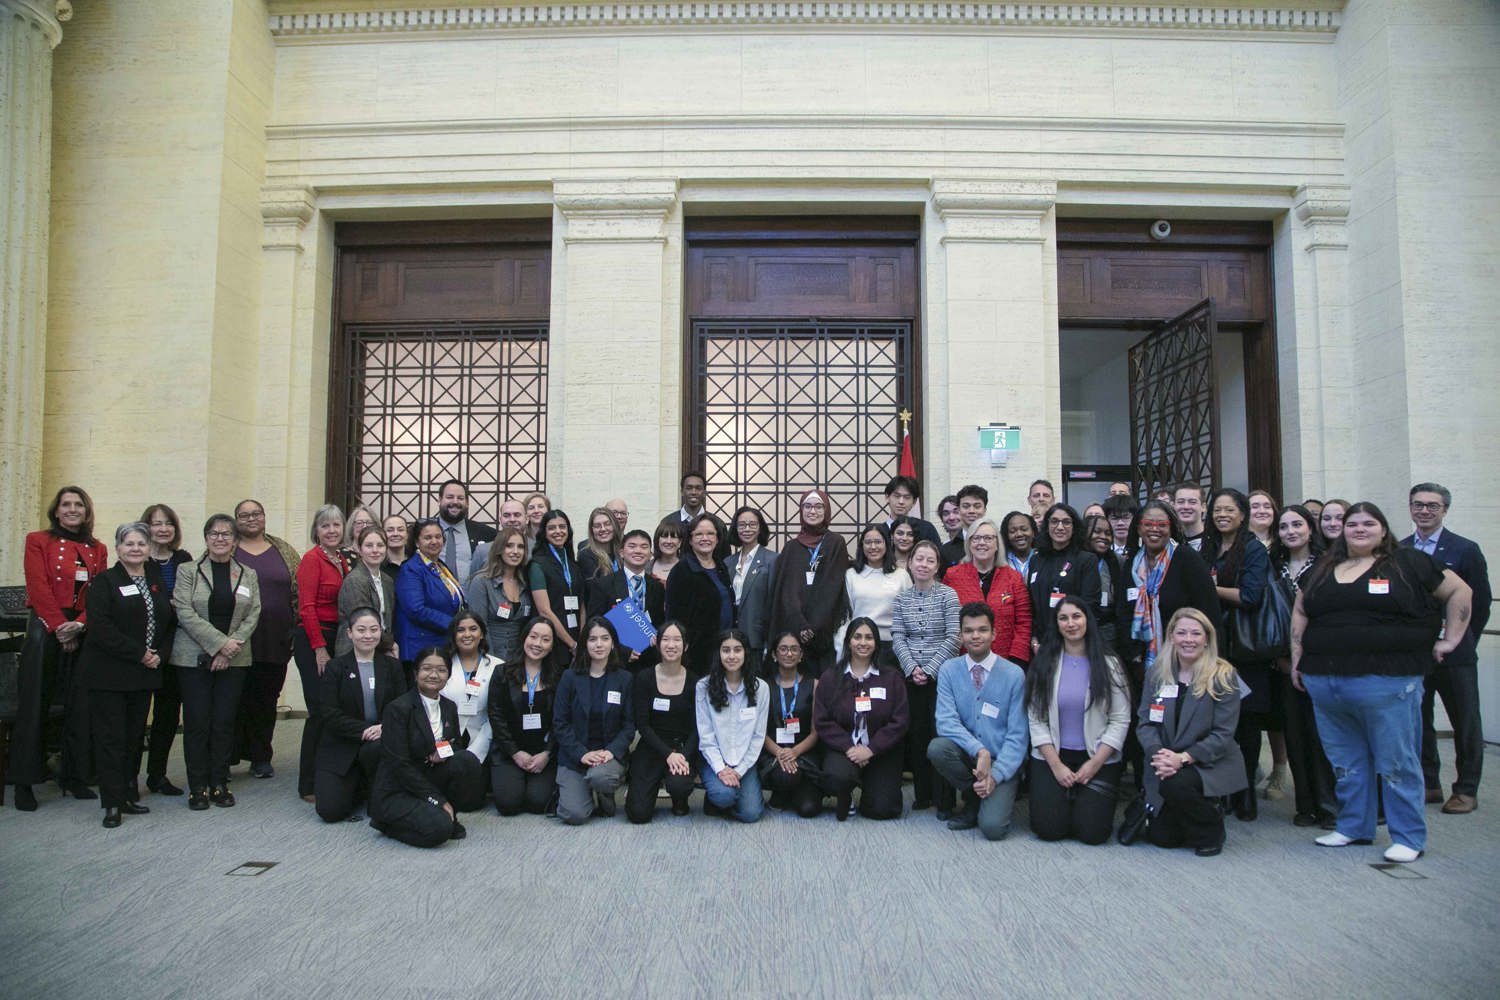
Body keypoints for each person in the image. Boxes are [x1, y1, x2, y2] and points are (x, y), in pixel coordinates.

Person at [1293, 502, 1472, 863]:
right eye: (1352, 523)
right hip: (1325, 680)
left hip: (1388, 680)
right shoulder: (1323, 567)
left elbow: (1460, 593)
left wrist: (1450, 639)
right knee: (1345, 760)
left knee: (1396, 761)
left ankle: (1408, 835)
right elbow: (1300, 611)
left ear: (1383, 528)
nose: (1359, 529)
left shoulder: (1409, 562)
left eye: (1368, 523)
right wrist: (1298, 659)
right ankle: (1353, 826)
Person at [10, 486, 110, 810]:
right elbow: (37, 586)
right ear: (56, 510)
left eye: (78, 504)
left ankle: (74, 776)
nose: (72, 509)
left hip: (81, 628)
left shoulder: (98, 548)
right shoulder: (38, 540)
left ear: (86, 511)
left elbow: (98, 593)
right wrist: (58, 628)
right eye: (66, 504)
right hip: (45, 625)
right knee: (34, 705)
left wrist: (80, 624)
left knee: (79, 706)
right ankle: (25, 781)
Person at [1116, 501, 1221, 791]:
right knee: (1146, 721)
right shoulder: (1133, 563)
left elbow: (1208, 612)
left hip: (1183, 660)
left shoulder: (1186, 559)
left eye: (1161, 525)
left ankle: (1186, 785)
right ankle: (1145, 786)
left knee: (1180, 724)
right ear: (1138, 528)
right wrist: (1132, 655)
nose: (1154, 530)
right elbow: (1123, 613)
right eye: (1148, 524)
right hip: (1142, 664)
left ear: (1171, 528)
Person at [1403, 482, 1491, 815]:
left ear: (1444, 510)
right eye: (1418, 504)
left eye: (1432, 506)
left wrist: (1462, 639)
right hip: (1416, 652)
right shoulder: (1402, 548)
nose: (1424, 511)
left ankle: (1466, 789)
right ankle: (1429, 782)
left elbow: (1478, 603)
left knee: (1465, 721)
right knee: (1418, 720)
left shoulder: (1465, 549)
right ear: (1410, 508)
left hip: (1457, 653)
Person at [82, 523, 176, 828]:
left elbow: (168, 622)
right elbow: (100, 628)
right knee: (112, 739)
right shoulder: (105, 582)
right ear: (118, 548)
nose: (135, 549)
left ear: (149, 548)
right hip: (111, 674)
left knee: (135, 738)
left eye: (141, 544)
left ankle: (127, 794)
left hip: (144, 675)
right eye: (129, 544)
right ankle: (111, 803)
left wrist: (160, 652)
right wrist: (140, 653)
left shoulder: (155, 581)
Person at [1137, 608, 1247, 857]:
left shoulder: (1224, 675)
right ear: (1171, 637)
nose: (1189, 639)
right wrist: (1159, 755)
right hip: (1164, 761)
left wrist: (1182, 759)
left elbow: (1223, 734)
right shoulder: (1157, 673)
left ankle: (1212, 828)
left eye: (1196, 633)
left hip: (1207, 761)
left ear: (1207, 638)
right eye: (1182, 633)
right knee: (1163, 838)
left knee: (1176, 785)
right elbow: (1145, 722)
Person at [169, 513, 261, 811]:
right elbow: (184, 611)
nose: (220, 539)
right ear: (206, 537)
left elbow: (253, 613)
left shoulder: (248, 573)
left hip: (235, 659)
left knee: (224, 722)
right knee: (197, 723)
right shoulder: (188, 571)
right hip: (193, 657)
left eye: (226, 534)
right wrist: (219, 644)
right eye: (214, 533)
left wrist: (228, 650)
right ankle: (198, 787)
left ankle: (219, 782)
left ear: (235, 540)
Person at [1025, 597, 1131, 844]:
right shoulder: (1044, 664)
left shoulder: (1110, 664)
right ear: (1057, 624)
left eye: (1076, 616)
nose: (1070, 623)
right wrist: (1056, 765)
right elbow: (1036, 719)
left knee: (1092, 834)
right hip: (1053, 756)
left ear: (1087, 620)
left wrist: (1095, 764)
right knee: (1049, 830)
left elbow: (1120, 719)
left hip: (1096, 756)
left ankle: (1078, 799)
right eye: (1063, 618)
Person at [927, 602, 1027, 839]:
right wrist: (980, 751)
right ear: (960, 635)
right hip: (968, 756)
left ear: (994, 633)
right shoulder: (949, 670)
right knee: (938, 748)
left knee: (993, 829)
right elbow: (946, 722)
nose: (975, 636)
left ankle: (992, 791)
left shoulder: (1014, 675)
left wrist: (996, 774)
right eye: (969, 630)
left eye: (982, 630)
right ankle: (973, 797)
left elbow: (1018, 737)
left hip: (1001, 761)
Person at [1204, 488, 1271, 822]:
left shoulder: (1254, 550)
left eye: (1229, 509)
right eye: (1217, 510)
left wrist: (1208, 588)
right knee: (1218, 723)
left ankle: (1245, 795)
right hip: (1214, 646)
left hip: (1243, 649)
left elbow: (1250, 595)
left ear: (1243, 514)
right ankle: (1223, 790)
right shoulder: (1209, 547)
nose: (1222, 515)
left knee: (1245, 723)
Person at [1269, 504, 1336, 828]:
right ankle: (1305, 804)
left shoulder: (1329, 565)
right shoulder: (1272, 565)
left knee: (1323, 736)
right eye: (1284, 527)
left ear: (1311, 528)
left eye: (1297, 524)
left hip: (1322, 662)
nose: (1290, 531)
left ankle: (1329, 805)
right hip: (1282, 662)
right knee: (1295, 735)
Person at [368, 647, 475, 847]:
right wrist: (437, 799)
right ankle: (386, 823)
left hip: (430, 775)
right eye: (427, 669)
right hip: (398, 787)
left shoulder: (449, 706)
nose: (434, 675)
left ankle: (447, 813)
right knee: (439, 830)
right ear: (416, 673)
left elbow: (457, 744)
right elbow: (399, 764)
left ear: (448, 676)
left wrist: (441, 751)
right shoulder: (398, 708)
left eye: (441, 670)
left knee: (467, 761)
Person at [315, 607, 406, 823]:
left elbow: (402, 705)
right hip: (342, 744)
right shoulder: (336, 667)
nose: (368, 635)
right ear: (349, 633)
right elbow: (329, 713)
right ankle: (356, 787)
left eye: (374, 629)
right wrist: (364, 730)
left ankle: (370, 786)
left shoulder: (392, 666)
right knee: (330, 811)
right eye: (361, 630)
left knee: (383, 807)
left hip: (379, 744)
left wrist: (385, 727)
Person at [814, 617, 910, 820]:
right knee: (836, 776)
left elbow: (899, 721)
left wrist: (871, 749)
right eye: (857, 637)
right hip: (844, 750)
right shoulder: (831, 677)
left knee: (882, 809)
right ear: (849, 641)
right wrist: (850, 748)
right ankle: (845, 792)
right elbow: (823, 721)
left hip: (880, 751)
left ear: (877, 643)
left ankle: (871, 787)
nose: (863, 642)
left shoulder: (891, 678)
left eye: (869, 637)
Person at [230, 499, 299, 781]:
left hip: (276, 637)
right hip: (236, 641)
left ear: (264, 516)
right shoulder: (228, 549)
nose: (250, 519)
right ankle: (229, 754)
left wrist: (297, 630)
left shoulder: (283, 549)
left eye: (256, 513)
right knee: (233, 699)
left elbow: (299, 590)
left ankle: (260, 756)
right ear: (236, 520)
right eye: (244, 515)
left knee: (266, 699)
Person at [891, 540, 960, 814]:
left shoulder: (948, 595)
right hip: (911, 676)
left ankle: (945, 799)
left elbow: (954, 637)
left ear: (937, 566)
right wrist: (912, 668)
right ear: (910, 563)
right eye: (919, 559)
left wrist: (929, 669)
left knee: (940, 735)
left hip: (942, 676)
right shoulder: (901, 598)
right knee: (918, 735)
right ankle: (923, 794)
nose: (923, 564)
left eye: (930, 560)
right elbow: (898, 636)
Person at [293, 504, 351, 800]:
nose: (331, 531)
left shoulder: (342, 559)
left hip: (336, 638)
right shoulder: (311, 560)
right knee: (318, 710)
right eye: (325, 526)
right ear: (316, 530)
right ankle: (307, 784)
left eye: (336, 525)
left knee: (333, 708)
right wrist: (319, 649)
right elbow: (307, 608)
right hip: (313, 639)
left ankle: (329, 773)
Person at [552, 618, 634, 823]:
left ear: (613, 643)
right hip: (575, 756)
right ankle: (583, 789)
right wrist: (582, 754)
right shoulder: (569, 677)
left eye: (605, 639)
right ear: (584, 644)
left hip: (608, 756)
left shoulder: (624, 679)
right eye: (592, 639)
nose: (599, 644)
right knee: (574, 814)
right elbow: (560, 723)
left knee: (600, 778)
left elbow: (629, 725)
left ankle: (601, 790)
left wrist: (611, 751)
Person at [767, 489, 852, 676]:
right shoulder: (791, 548)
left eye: (818, 506)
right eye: (807, 506)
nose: (812, 511)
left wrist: (813, 627)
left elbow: (833, 588)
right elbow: (787, 593)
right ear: (801, 510)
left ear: (827, 510)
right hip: (796, 634)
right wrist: (801, 626)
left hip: (824, 633)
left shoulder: (835, 543)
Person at [141, 503, 192, 797]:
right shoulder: (137, 558)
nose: (162, 528)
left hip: (176, 646)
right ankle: (125, 778)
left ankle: (156, 775)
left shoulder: (183, 559)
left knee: (167, 715)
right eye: (155, 523)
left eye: (167, 523)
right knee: (136, 717)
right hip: (144, 646)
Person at [625, 622, 699, 821]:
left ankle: (679, 799)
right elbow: (643, 724)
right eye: (665, 639)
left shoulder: (694, 682)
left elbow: (697, 728)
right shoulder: (644, 678)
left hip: (682, 747)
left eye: (677, 640)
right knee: (637, 814)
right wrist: (667, 754)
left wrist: (682, 755)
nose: (671, 645)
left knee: (679, 784)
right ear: (657, 644)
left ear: (686, 646)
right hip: (652, 745)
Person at [488, 618, 561, 816]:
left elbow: (561, 721)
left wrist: (547, 754)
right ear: (524, 638)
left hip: (543, 753)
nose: (538, 644)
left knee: (538, 803)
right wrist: (515, 753)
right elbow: (496, 716)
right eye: (533, 637)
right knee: (508, 804)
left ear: (552, 644)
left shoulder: (558, 676)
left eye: (545, 639)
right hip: (509, 751)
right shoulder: (502, 673)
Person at [696, 629, 769, 822]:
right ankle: (719, 797)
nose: (731, 656)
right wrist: (721, 768)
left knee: (751, 814)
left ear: (745, 653)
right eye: (726, 650)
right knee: (723, 795)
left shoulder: (761, 688)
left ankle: (731, 795)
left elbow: (758, 737)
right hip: (715, 760)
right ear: (718, 654)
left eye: (737, 650)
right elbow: (706, 735)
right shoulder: (703, 687)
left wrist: (739, 770)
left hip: (745, 761)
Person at [943, 520, 1032, 666]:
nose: (981, 543)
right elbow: (945, 619)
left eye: (988, 538)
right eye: (976, 538)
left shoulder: (1013, 578)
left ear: (997, 544)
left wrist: (1017, 658)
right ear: (969, 544)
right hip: (963, 661)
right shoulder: (952, 576)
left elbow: (1024, 622)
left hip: (1005, 662)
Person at [436, 611, 499, 812]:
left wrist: (477, 750)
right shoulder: (441, 664)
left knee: (471, 802)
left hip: (484, 737)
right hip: (446, 737)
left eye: (473, 629)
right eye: (460, 630)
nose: (467, 634)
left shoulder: (498, 666)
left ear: (482, 634)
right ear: (454, 635)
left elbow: (497, 715)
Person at [760, 631, 824, 817]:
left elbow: (815, 732)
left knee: (809, 809)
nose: (789, 654)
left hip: (804, 753)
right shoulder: (763, 686)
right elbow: (759, 732)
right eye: (783, 649)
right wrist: (781, 752)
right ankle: (784, 790)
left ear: (801, 655)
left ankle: (794, 790)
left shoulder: (814, 684)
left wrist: (794, 752)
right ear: (773, 654)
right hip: (773, 752)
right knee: (785, 776)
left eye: (794, 649)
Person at [586, 528, 666, 671]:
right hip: (615, 661)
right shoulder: (603, 585)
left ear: (650, 555)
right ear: (622, 552)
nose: (638, 551)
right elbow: (594, 623)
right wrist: (621, 651)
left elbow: (660, 622)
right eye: (632, 546)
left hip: (649, 662)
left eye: (644, 547)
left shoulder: (657, 588)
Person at [665, 513, 736, 675]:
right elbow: (674, 616)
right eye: (698, 534)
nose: (705, 538)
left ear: (717, 539)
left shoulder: (721, 567)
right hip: (696, 654)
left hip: (724, 649)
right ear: (690, 540)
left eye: (710, 534)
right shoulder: (681, 571)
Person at [835, 524, 911, 666]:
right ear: (862, 546)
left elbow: (909, 614)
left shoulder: (901, 576)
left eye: (878, 542)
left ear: (887, 544)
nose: (873, 547)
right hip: (860, 644)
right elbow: (846, 616)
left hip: (893, 646)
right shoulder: (851, 575)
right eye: (868, 542)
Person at [1028, 503, 1103, 646]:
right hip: (1040, 643)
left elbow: (1089, 605)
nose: (1060, 527)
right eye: (1054, 521)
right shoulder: (1036, 560)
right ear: (1047, 525)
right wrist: (1034, 638)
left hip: (1073, 641)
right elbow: (1031, 604)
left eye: (1066, 522)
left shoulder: (1086, 560)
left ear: (1074, 527)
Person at [394, 518, 465, 667]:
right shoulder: (412, 569)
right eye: (428, 537)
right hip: (420, 648)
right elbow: (416, 609)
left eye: (438, 537)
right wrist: (454, 624)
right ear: (417, 542)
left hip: (441, 644)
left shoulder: (440, 567)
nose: (434, 541)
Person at [467, 526, 535, 661]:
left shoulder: (526, 583)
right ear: (499, 549)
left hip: (519, 660)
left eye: (520, 547)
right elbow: (479, 626)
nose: (515, 551)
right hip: (489, 657)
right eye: (509, 546)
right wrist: (492, 660)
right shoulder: (481, 582)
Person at [725, 505, 777, 674]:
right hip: (729, 639)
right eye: (742, 525)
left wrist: (769, 643)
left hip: (756, 640)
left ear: (760, 528)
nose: (747, 529)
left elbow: (775, 604)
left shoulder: (772, 560)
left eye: (752, 524)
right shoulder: (727, 562)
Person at [528, 510, 586, 662]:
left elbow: (582, 604)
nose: (558, 531)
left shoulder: (573, 563)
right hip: (551, 639)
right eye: (552, 528)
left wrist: (581, 639)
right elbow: (544, 611)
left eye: (562, 526)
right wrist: (572, 644)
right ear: (544, 532)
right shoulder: (537, 564)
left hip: (576, 640)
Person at [335, 526, 397, 657]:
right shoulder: (355, 580)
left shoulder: (387, 580)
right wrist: (390, 644)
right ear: (359, 549)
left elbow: (388, 620)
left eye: (380, 545)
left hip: (380, 650)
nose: (375, 550)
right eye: (369, 545)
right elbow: (363, 624)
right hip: (354, 653)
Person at [434, 479, 495, 584]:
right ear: (439, 500)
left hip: (472, 598)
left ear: (467, 503)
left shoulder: (486, 533)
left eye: (460, 498)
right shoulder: (422, 531)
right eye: (450, 497)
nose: (455, 502)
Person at [1085, 513, 1123, 648]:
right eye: (1097, 531)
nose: (1103, 537)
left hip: (1109, 629)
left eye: (1108, 533)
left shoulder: (1116, 561)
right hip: (1081, 628)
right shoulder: (1076, 559)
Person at [880, 475, 942, 546]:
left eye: (907, 497)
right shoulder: (878, 532)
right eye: (897, 496)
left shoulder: (926, 529)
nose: (901, 501)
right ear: (887, 497)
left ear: (914, 502)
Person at [941, 484, 989, 567]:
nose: (971, 511)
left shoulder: (997, 544)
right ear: (959, 510)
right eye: (966, 506)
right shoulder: (945, 550)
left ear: (984, 510)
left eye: (977, 506)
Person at [577, 506, 621, 582]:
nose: (603, 529)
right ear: (592, 530)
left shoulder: (621, 552)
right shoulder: (586, 555)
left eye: (607, 524)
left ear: (614, 526)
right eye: (597, 526)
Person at [1000, 509, 1038, 588]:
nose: (1019, 534)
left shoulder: (1043, 558)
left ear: (1033, 532)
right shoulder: (1000, 561)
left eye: (1024, 529)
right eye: (1013, 531)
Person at [1102, 494, 1138, 562]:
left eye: (1126, 517)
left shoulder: (1141, 551)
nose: (1120, 523)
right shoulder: (1101, 551)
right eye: (1114, 518)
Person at [1172, 482, 1208, 550]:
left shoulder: (1214, 542)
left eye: (1192, 502)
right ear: (1173, 506)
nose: (1186, 507)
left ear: (1203, 507)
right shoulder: (1170, 542)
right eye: (1181, 502)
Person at [649, 520, 683, 588]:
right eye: (664, 536)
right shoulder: (646, 567)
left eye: (673, 537)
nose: (669, 541)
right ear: (657, 540)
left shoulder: (688, 568)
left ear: (680, 542)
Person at [380, 514, 409, 583]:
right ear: (382, 535)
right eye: (390, 530)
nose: (395, 534)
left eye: (400, 530)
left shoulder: (416, 563)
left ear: (407, 535)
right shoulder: (377, 566)